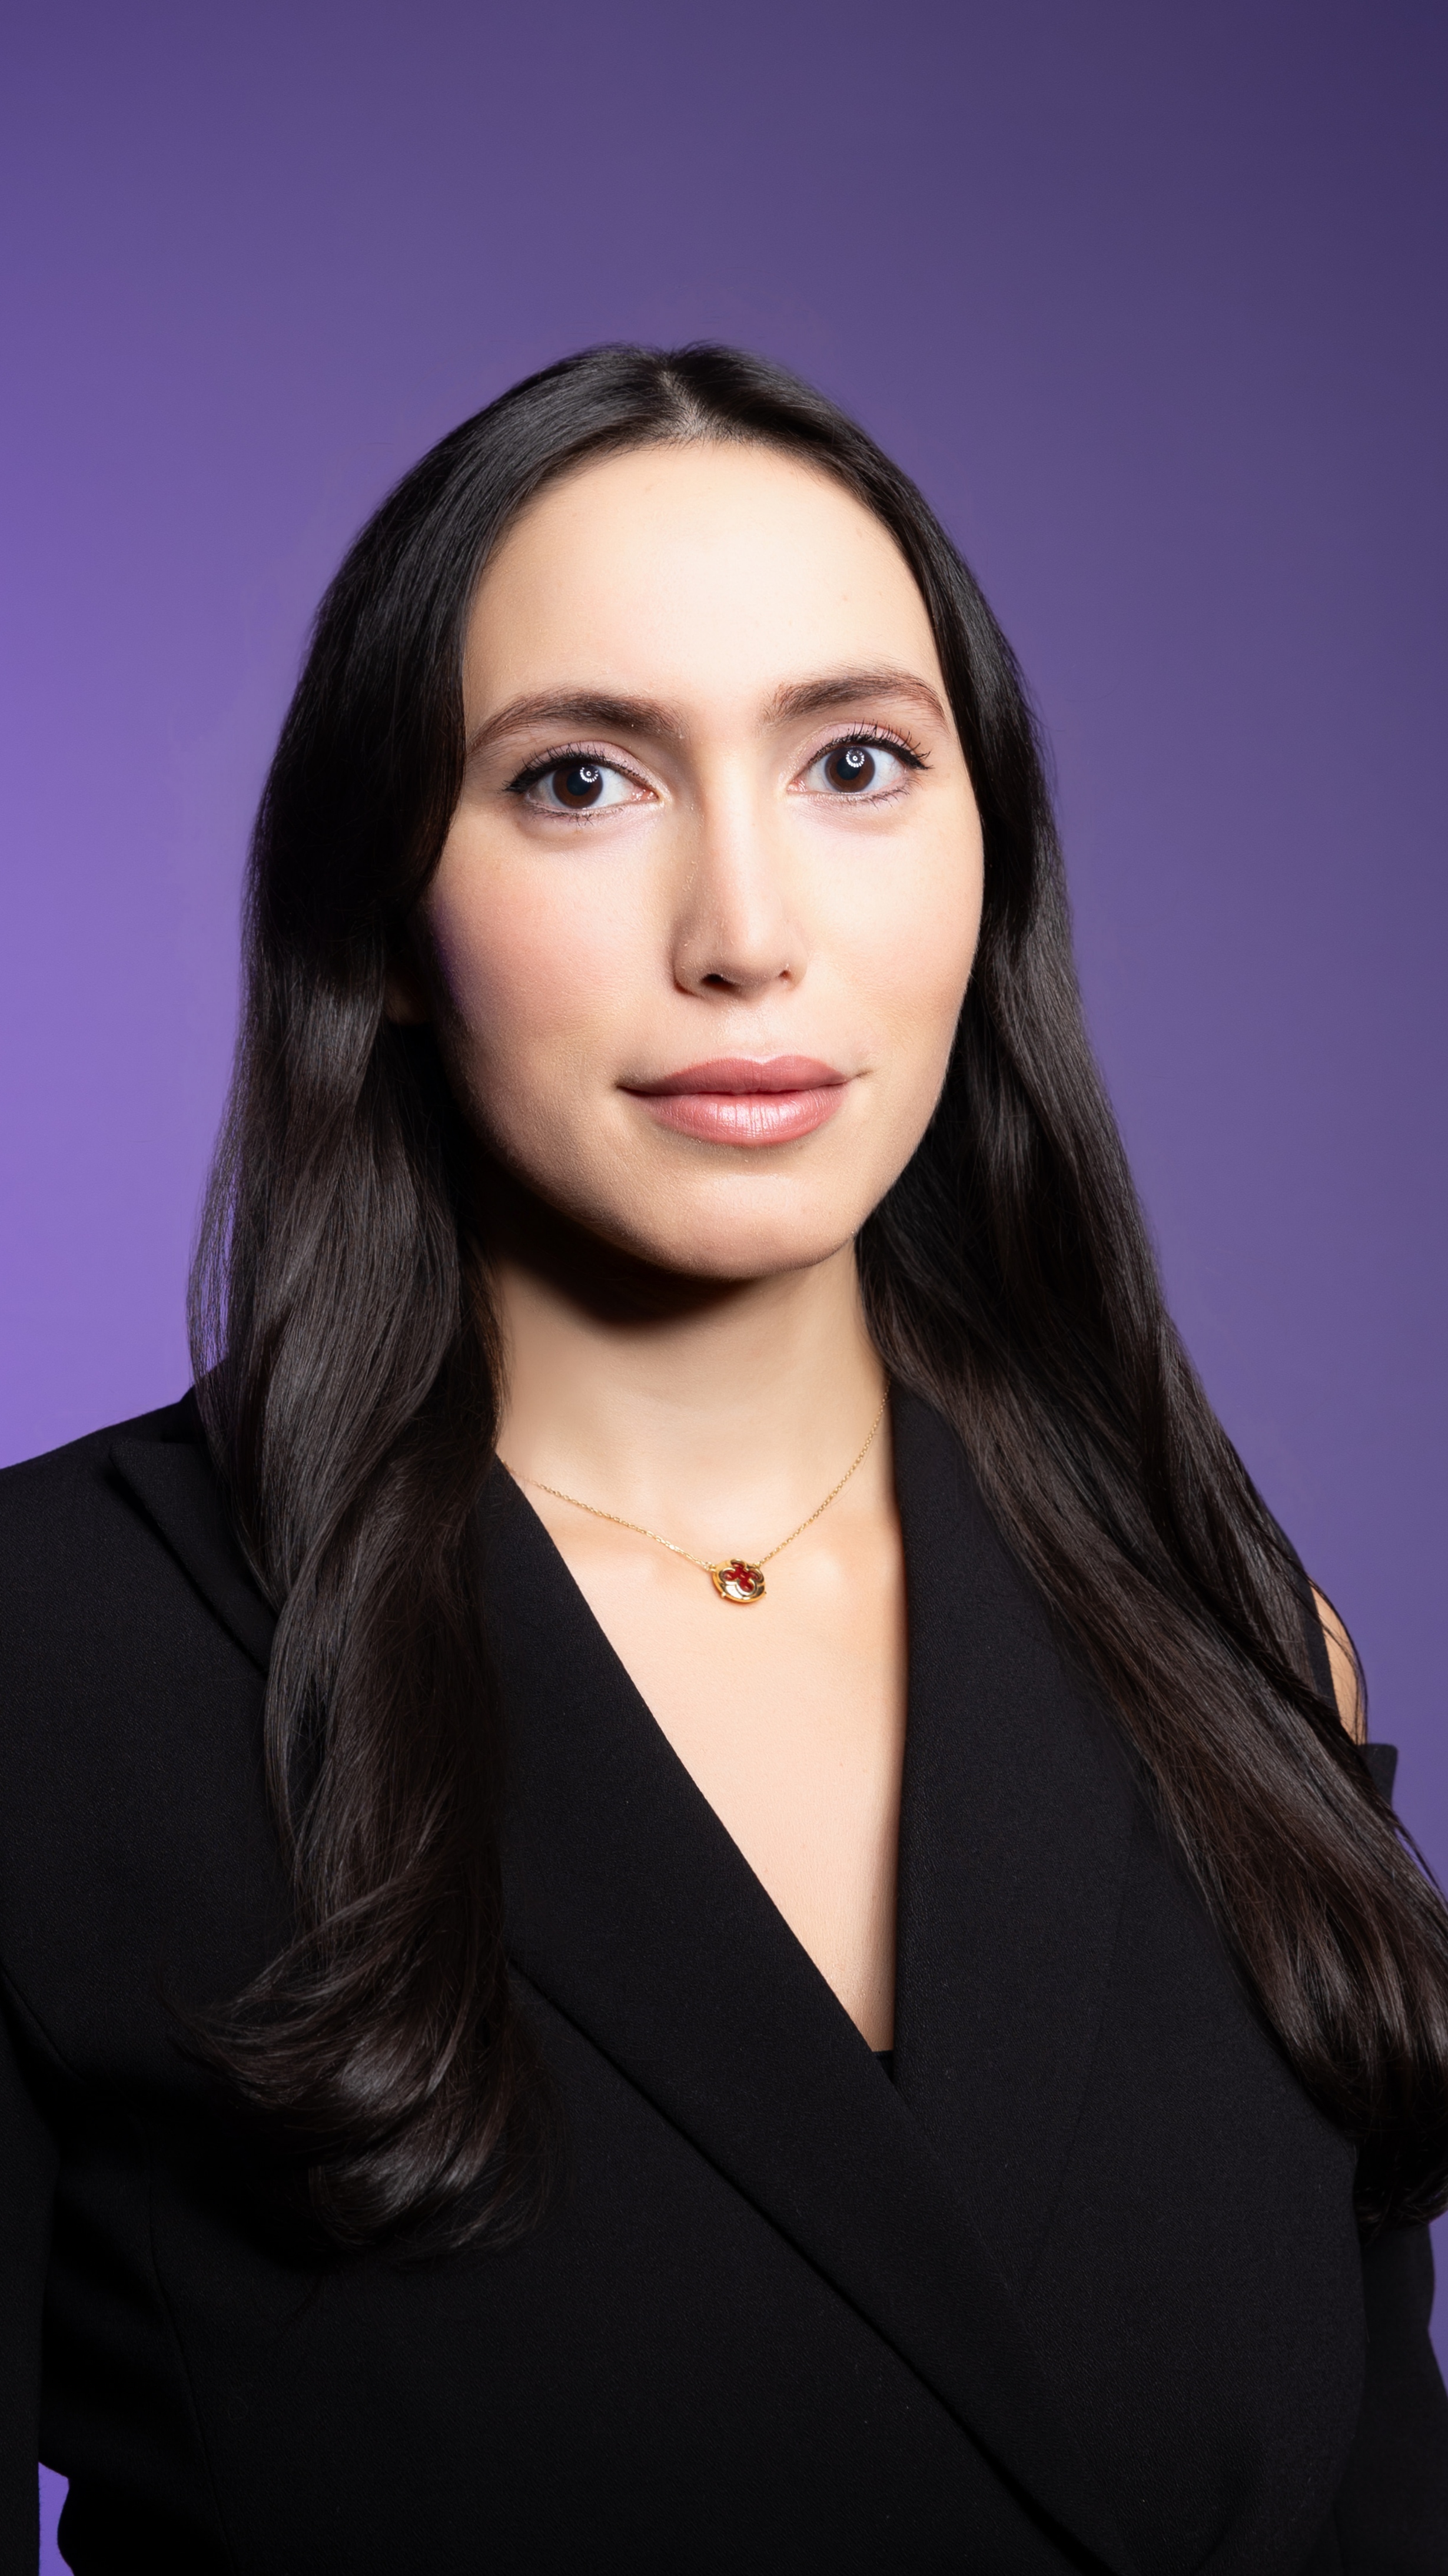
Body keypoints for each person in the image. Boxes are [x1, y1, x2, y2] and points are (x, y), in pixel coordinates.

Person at [2, 344, 1446, 2575]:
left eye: (856, 762)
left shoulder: (1234, 1636)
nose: (747, 935)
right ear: (381, 922)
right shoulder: (63, 1663)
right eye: (579, 781)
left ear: (988, 862)